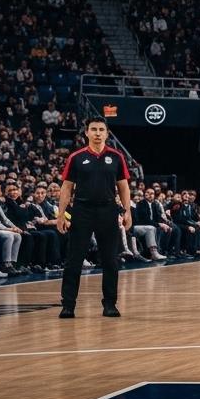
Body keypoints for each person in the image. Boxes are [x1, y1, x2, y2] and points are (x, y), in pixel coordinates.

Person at [56, 117, 133, 318]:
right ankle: (68, 305)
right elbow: (66, 187)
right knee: (74, 260)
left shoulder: (117, 157)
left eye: (101, 129)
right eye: (93, 129)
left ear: (107, 134)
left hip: (108, 210)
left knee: (110, 260)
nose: (97, 133)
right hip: (82, 210)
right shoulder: (76, 157)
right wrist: (61, 215)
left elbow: (123, 186)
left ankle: (110, 304)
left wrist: (127, 211)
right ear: (87, 133)